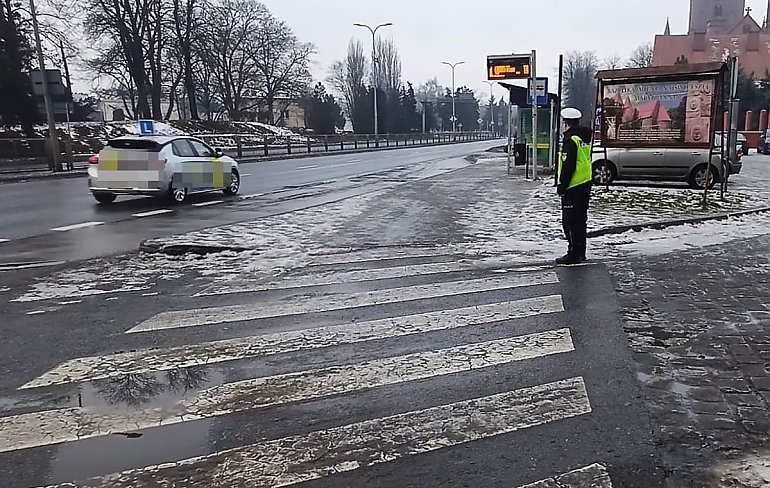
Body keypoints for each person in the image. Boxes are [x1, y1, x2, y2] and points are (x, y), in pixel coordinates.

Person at [556, 107, 593, 265]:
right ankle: (580, 252)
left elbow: (568, 165)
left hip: (573, 185)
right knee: (580, 220)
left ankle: (573, 252)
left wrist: (562, 186)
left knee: (569, 221)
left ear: (566, 123)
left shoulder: (570, 140)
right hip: (585, 183)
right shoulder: (583, 138)